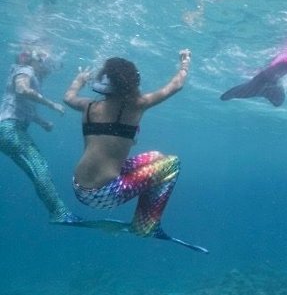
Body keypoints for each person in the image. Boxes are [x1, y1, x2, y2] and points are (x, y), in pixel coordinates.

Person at [63, 50, 207, 253]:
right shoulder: (137, 105)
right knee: (172, 163)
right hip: (105, 194)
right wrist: (185, 62)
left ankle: (142, 219)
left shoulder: (89, 106)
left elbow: (68, 97)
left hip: (78, 187)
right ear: (132, 82)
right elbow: (176, 85)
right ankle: (145, 226)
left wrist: (78, 80)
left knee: (156, 157)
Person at [0, 45, 81, 223]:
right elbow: (22, 90)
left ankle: (58, 212)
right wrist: (51, 104)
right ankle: (59, 213)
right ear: (36, 59)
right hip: (10, 130)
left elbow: (21, 106)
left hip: (10, 129)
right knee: (40, 169)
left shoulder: (27, 72)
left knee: (36, 170)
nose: (49, 67)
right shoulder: (25, 71)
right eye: (47, 61)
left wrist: (43, 122)